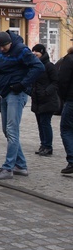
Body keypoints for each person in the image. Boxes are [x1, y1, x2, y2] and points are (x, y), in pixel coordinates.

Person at [0, 31, 44, 180]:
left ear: (10, 42)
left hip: (17, 94)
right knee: (7, 130)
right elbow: (2, 69)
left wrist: (22, 84)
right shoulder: (1, 50)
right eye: (0, 47)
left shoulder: (22, 50)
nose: (2, 49)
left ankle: (8, 168)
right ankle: (21, 166)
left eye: (4, 46)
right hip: (5, 92)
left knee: (11, 129)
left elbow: (39, 67)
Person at [30, 43, 59, 156]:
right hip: (37, 100)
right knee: (40, 124)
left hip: (48, 100)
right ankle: (43, 144)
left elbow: (55, 82)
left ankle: (48, 146)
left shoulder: (49, 66)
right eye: (33, 52)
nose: (34, 54)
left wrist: (46, 92)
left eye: (36, 51)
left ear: (42, 52)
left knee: (45, 123)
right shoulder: (34, 65)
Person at [58, 40, 73, 174]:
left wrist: (63, 97)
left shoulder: (69, 59)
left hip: (71, 100)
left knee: (66, 129)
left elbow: (62, 80)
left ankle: (72, 160)